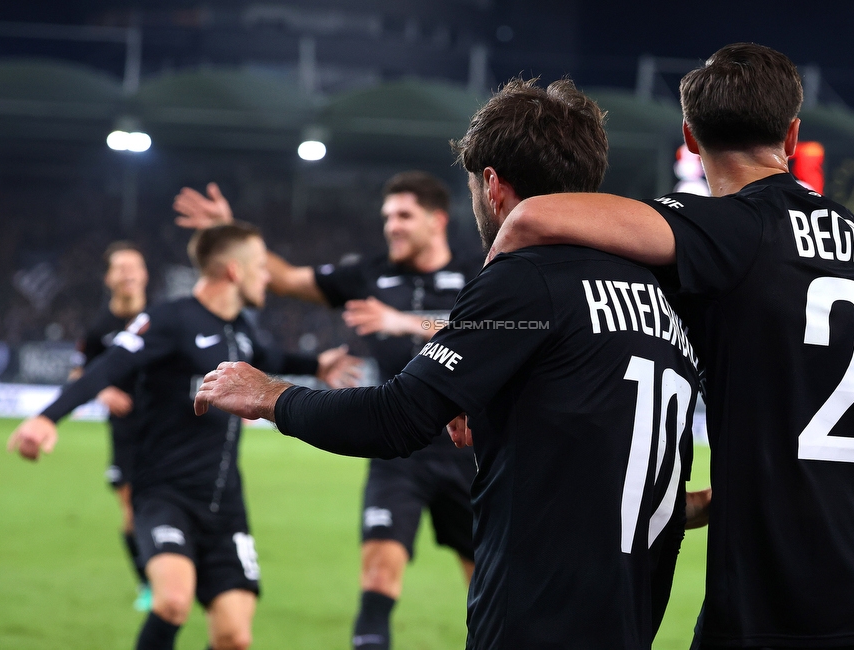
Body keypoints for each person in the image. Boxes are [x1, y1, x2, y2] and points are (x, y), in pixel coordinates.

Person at [192, 77, 705, 649]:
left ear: (492, 186)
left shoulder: (523, 276)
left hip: (535, 621)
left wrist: (271, 395)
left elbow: (395, 419)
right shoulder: (662, 294)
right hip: (631, 619)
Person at [488, 43, 854, 649]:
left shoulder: (737, 232)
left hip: (781, 602)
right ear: (792, 136)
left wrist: (476, 341)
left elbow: (534, 218)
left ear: (690, 137)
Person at [8, 223, 360, 650]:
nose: (267, 277)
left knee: (235, 636)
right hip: (165, 494)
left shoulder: (241, 330)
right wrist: (47, 418)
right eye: (260, 268)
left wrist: (317, 364)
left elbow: (272, 357)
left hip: (225, 504)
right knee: (172, 601)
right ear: (234, 271)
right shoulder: (168, 318)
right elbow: (108, 366)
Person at [173, 172, 481, 650]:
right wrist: (230, 232)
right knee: (378, 576)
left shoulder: (479, 268)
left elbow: (492, 326)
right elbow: (289, 280)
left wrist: (405, 321)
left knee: (487, 586)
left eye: (403, 216)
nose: (391, 227)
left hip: (469, 452)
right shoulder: (370, 273)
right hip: (398, 445)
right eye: (386, 217)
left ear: (438, 220)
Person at [71, 241, 152, 609]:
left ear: (145, 274)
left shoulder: (160, 319)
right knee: (132, 511)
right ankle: (147, 584)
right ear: (108, 278)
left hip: (163, 429)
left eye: (134, 266)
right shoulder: (98, 328)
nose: (128, 273)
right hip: (124, 434)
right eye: (120, 267)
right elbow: (78, 372)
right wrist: (102, 391)